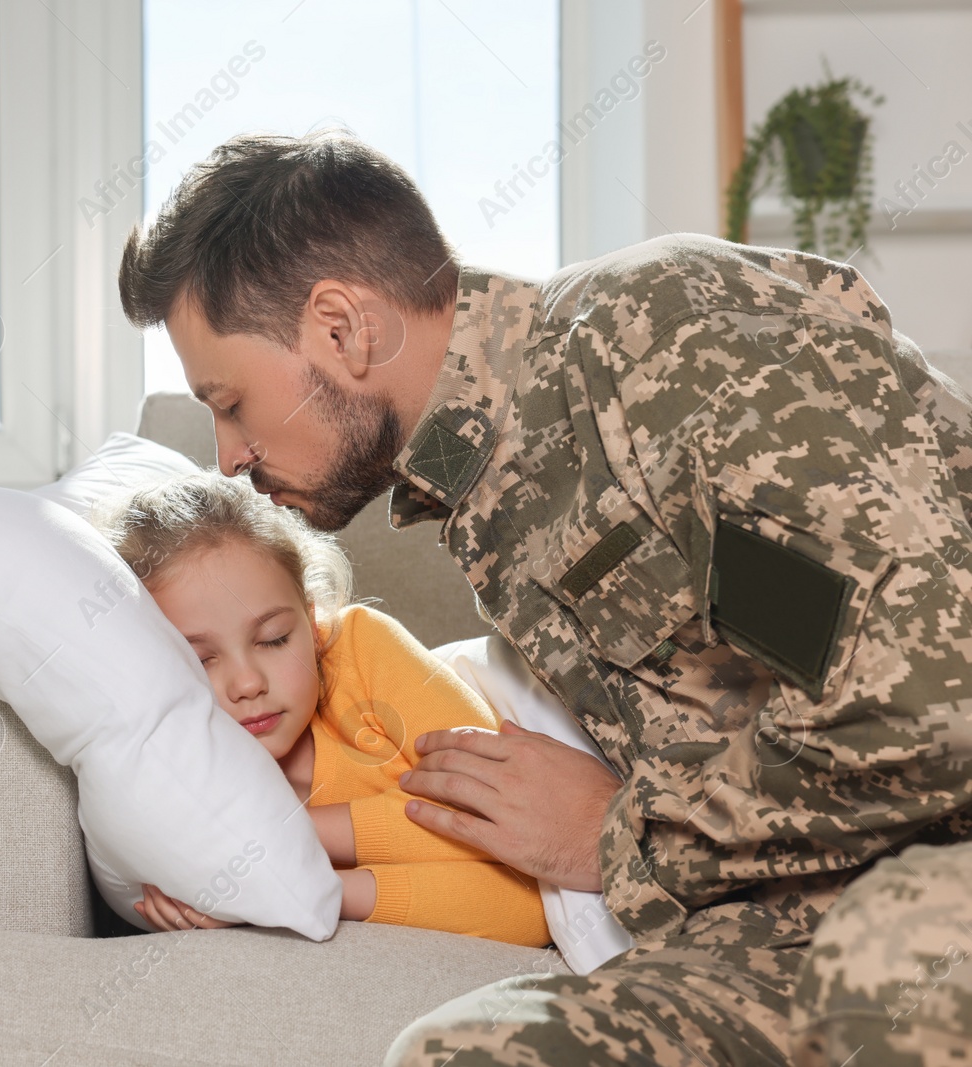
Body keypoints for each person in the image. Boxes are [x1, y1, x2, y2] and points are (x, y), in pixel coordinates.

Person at [116, 127, 972, 1065]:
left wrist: (624, 834)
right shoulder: (482, 483)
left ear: (340, 328)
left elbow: (930, 697)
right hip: (786, 918)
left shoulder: (657, 345)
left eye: (229, 401)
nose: (228, 457)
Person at [89, 470, 552, 947]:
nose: (248, 683)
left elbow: (530, 865)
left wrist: (293, 859)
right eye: (199, 659)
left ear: (312, 624)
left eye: (274, 639)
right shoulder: (173, 787)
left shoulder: (359, 647)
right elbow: (519, 906)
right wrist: (273, 896)